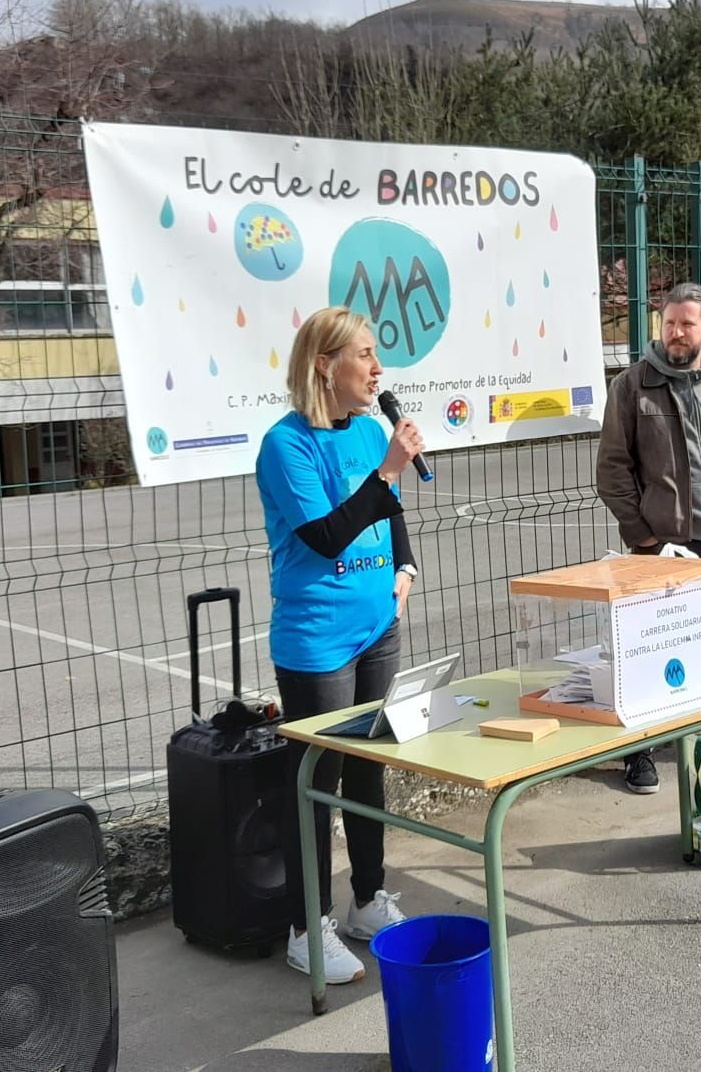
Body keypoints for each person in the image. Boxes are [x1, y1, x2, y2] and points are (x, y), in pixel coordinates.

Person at [256, 306, 425, 984]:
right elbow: (325, 535)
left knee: (368, 766)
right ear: (325, 364)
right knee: (316, 783)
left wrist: (405, 566)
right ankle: (307, 925)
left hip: (376, 624)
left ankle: (366, 900)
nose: (378, 369)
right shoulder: (285, 445)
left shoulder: (366, 431)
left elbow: (391, 511)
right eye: (364, 354)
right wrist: (387, 471)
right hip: (318, 640)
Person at [597, 282, 701, 790]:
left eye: (687, 323)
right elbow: (612, 470)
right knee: (648, 649)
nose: (675, 332)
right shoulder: (632, 386)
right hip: (662, 546)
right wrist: (644, 537)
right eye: (669, 322)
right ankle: (640, 748)